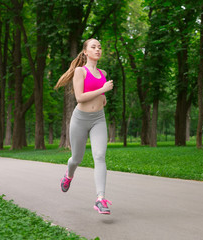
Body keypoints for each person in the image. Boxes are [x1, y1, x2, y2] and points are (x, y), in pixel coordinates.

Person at [54, 38, 114, 214]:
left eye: (100, 47)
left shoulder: (102, 72)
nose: (98, 49)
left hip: (98, 119)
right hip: (80, 119)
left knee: (100, 156)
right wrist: (103, 89)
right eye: (93, 47)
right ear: (85, 52)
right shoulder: (80, 71)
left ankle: (100, 199)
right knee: (76, 158)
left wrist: (103, 97)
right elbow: (80, 97)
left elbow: (101, 98)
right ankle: (69, 175)